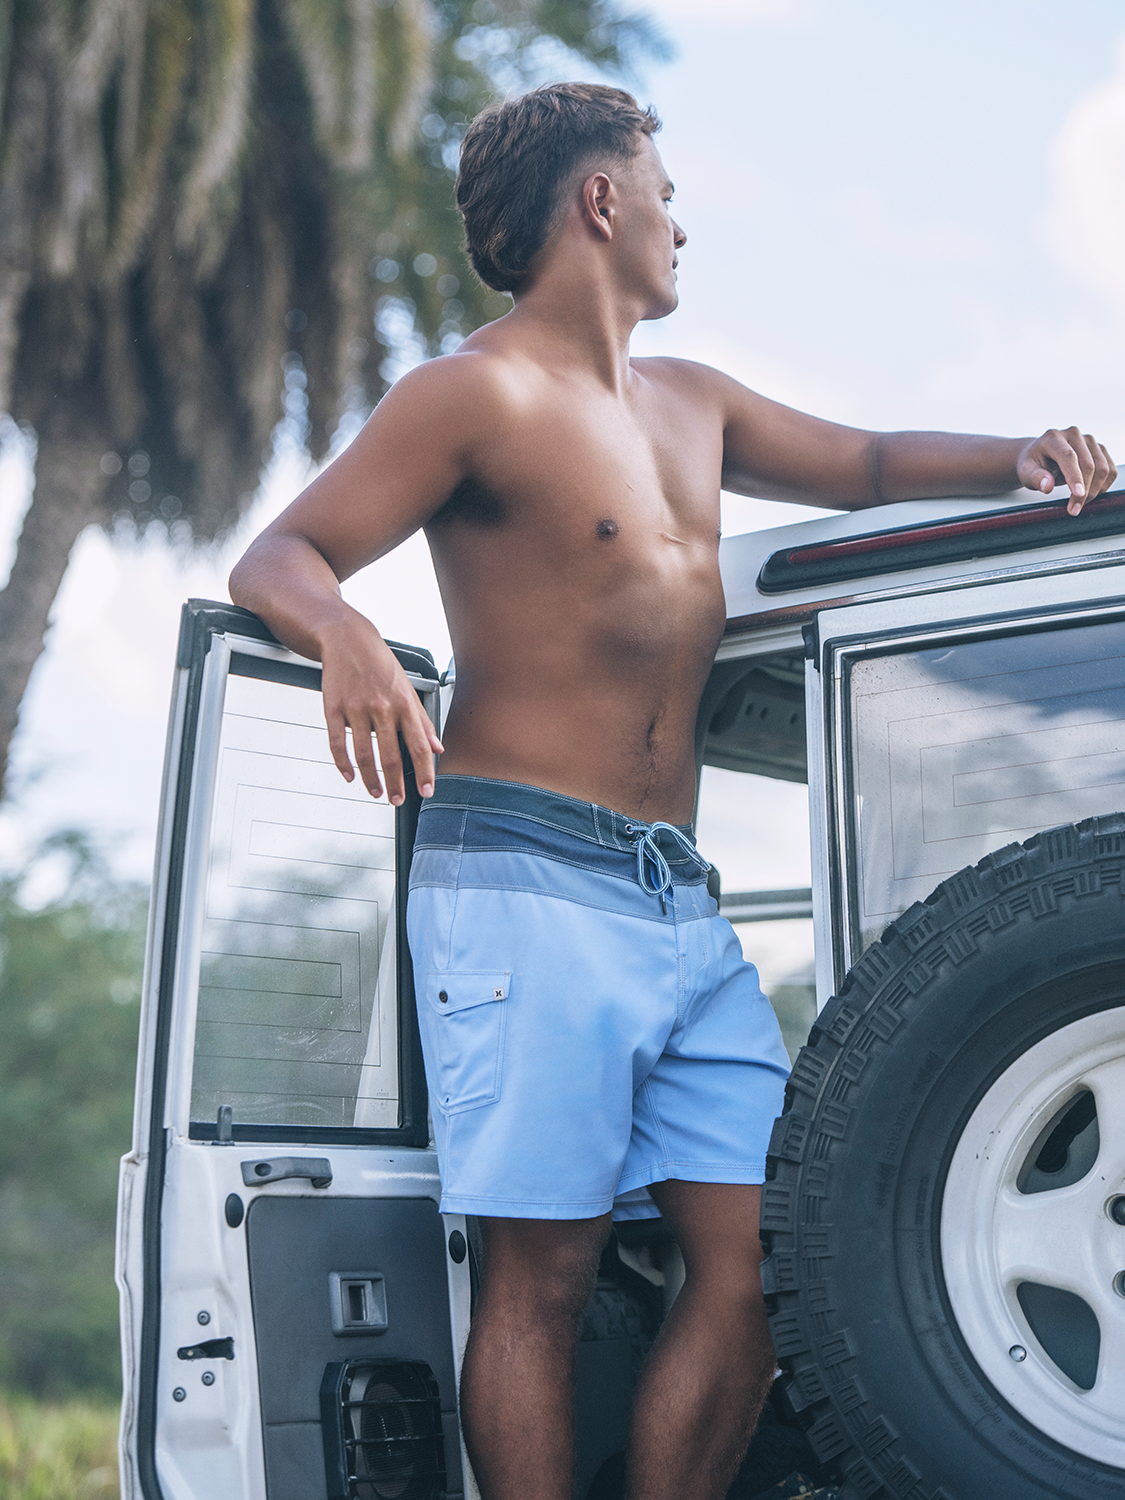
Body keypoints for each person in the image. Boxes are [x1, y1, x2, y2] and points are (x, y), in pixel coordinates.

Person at [229, 82, 1117, 1500]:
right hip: (522, 878)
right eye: (666, 192)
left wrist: (1015, 457)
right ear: (602, 201)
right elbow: (279, 554)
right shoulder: (473, 395)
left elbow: (866, 463)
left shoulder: (692, 403)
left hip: (675, 900)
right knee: (543, 1275)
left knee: (773, 1251)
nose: (680, 225)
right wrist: (342, 636)